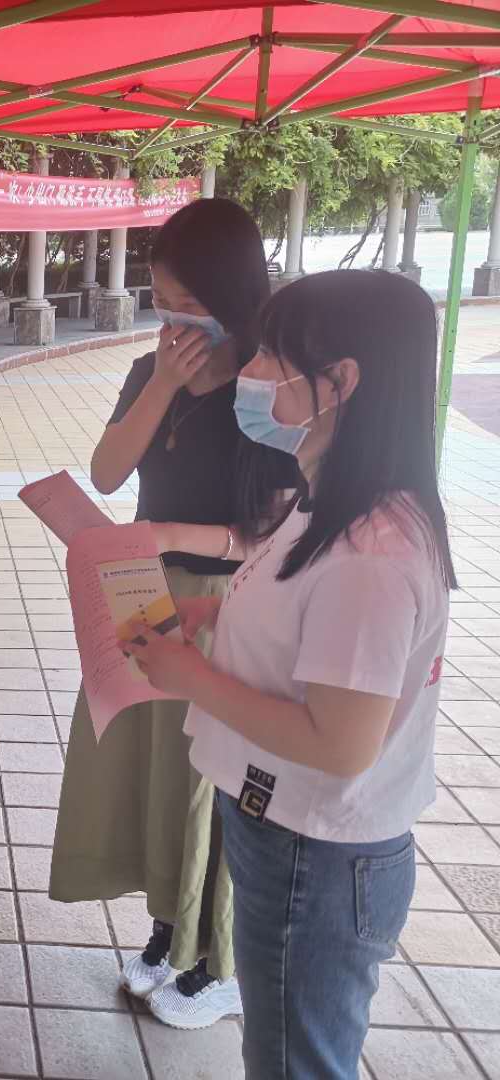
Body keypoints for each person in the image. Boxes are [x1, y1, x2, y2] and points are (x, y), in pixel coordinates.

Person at [128, 269, 453, 1077]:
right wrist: (210, 620)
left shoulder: (373, 554)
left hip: (318, 855)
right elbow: (295, 622)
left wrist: (188, 675)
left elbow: (340, 744)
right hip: (289, 834)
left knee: (294, 1062)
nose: (249, 373)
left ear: (340, 381)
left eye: (272, 357)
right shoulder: (332, 499)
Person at [49, 198, 291, 1028]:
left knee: (209, 782)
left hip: (225, 605)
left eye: (191, 304)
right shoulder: (151, 373)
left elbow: (276, 530)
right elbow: (108, 472)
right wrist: (160, 384)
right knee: (155, 775)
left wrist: (179, 536)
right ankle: (168, 929)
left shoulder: (270, 384)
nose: (176, 320)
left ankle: (220, 961)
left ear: (233, 295)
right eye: (163, 300)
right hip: (145, 595)